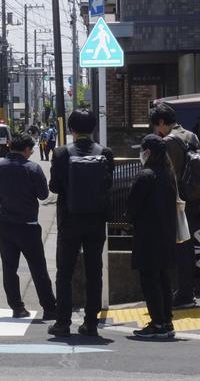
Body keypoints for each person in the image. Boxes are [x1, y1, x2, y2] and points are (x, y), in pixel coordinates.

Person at [47, 109, 114, 338]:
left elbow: (54, 187)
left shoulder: (61, 153)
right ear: (94, 128)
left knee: (64, 273)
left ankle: (63, 323)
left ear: (71, 129)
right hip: (96, 221)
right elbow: (108, 185)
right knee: (94, 273)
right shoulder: (105, 153)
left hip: (69, 220)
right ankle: (91, 323)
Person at [0, 132, 57, 320]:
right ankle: (49, 309)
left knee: (9, 269)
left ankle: (17, 308)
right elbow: (43, 195)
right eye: (31, 150)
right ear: (26, 150)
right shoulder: (32, 168)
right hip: (28, 226)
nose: (31, 153)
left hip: (5, 225)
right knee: (38, 268)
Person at [127, 134, 180, 339]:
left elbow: (133, 207)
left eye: (142, 150)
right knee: (164, 279)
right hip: (166, 235)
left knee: (149, 280)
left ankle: (157, 323)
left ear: (148, 152)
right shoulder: (168, 174)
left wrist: (129, 219)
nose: (140, 154)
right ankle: (166, 322)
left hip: (148, 237)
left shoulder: (145, 176)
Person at [149, 102, 200, 309]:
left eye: (155, 126)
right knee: (192, 247)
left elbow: (167, 174)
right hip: (196, 196)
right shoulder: (191, 136)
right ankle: (188, 290)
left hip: (180, 201)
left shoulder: (168, 142)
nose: (155, 130)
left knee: (182, 249)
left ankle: (185, 293)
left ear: (161, 123)